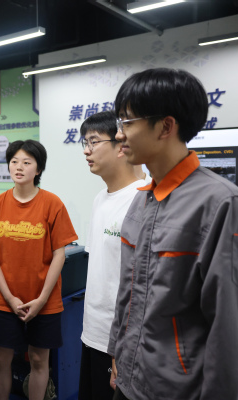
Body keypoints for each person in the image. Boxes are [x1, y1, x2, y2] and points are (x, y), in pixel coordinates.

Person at [108, 68, 238, 400]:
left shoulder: (224, 205)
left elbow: (230, 329)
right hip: (129, 382)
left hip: (177, 390)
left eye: (127, 122)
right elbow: (127, 294)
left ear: (166, 126)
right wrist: (117, 352)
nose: (119, 134)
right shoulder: (141, 200)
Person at [0, 140, 78, 400]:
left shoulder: (52, 204)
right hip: (4, 299)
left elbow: (59, 255)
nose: (19, 167)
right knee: (1, 357)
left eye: (26, 162)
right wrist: (10, 298)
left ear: (38, 169)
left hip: (44, 301)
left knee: (39, 360)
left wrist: (42, 299)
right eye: (14, 162)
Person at [77, 111, 148, 400]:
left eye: (94, 142)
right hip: (92, 334)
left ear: (121, 145)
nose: (86, 150)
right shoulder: (100, 198)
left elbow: (142, 286)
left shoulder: (143, 200)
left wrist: (124, 346)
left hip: (120, 343)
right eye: (85, 142)